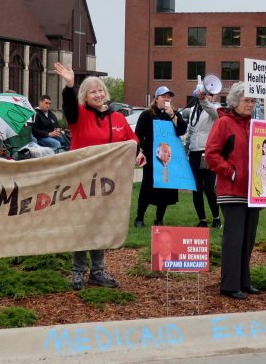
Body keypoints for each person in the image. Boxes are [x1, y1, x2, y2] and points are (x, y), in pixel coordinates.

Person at [54, 62, 145, 290]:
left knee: (100, 225)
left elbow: (131, 142)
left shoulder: (118, 118)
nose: (98, 94)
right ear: (84, 96)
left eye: (100, 90)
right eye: (92, 91)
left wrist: (139, 153)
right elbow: (69, 109)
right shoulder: (80, 115)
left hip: (108, 183)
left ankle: (97, 270)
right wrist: (69, 86)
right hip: (81, 182)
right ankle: (77, 271)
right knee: (82, 225)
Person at [205, 82, 261, 300]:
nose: (250, 104)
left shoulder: (255, 124)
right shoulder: (224, 123)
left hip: (254, 191)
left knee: (248, 238)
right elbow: (211, 154)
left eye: (253, 101)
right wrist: (232, 172)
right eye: (247, 100)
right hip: (232, 190)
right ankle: (229, 284)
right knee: (234, 239)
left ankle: (244, 281)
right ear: (235, 101)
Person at [134, 86, 187, 227]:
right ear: (156, 98)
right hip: (151, 159)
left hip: (166, 160)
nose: (167, 99)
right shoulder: (147, 115)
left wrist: (173, 115)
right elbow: (137, 136)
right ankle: (139, 217)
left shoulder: (173, 114)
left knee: (165, 189)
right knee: (147, 188)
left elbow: (182, 129)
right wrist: (139, 152)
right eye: (164, 96)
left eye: (169, 97)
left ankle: (159, 219)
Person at [186, 88, 221, 228]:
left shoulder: (215, 109)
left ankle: (216, 218)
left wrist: (203, 100)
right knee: (196, 188)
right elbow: (191, 130)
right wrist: (186, 147)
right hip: (194, 153)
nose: (209, 97)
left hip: (208, 153)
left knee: (209, 188)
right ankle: (202, 220)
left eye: (210, 95)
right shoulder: (193, 111)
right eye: (206, 95)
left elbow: (211, 110)